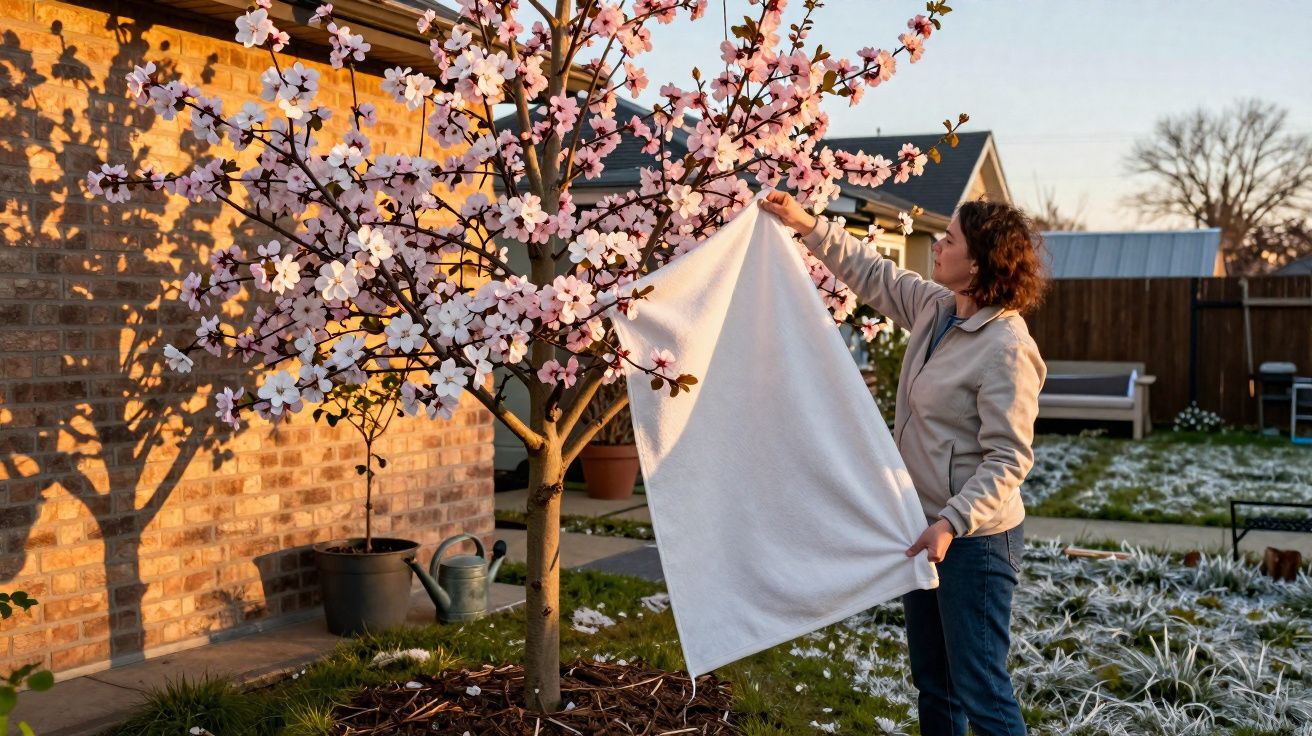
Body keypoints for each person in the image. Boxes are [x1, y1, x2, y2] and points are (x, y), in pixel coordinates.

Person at [760, 191, 1048, 736]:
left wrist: (951, 522)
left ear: (979, 262)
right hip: (923, 528)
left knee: (979, 687)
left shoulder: (1007, 346)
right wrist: (807, 225)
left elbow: (1009, 458)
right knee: (934, 686)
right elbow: (873, 273)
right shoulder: (936, 308)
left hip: (975, 542)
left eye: (950, 240)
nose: (938, 246)